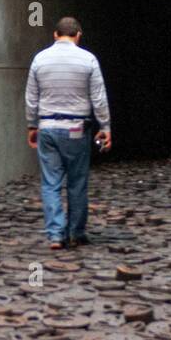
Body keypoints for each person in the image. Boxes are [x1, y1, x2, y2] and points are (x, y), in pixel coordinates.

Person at [24, 17, 112, 249]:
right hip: (76, 128)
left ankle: (55, 234)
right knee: (77, 182)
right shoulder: (88, 59)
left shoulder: (39, 59)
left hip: (48, 128)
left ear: (55, 34)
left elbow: (32, 98)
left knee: (50, 183)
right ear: (78, 35)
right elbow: (98, 97)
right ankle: (76, 232)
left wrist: (32, 125)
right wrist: (105, 127)